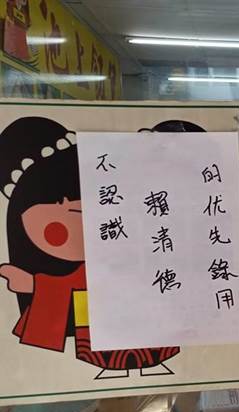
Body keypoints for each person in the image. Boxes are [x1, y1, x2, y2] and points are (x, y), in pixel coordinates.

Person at [0, 116, 180, 379]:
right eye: (74, 216)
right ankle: (114, 368)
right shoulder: (83, 270)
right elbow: (65, 284)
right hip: (96, 323)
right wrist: (33, 283)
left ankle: (149, 362)